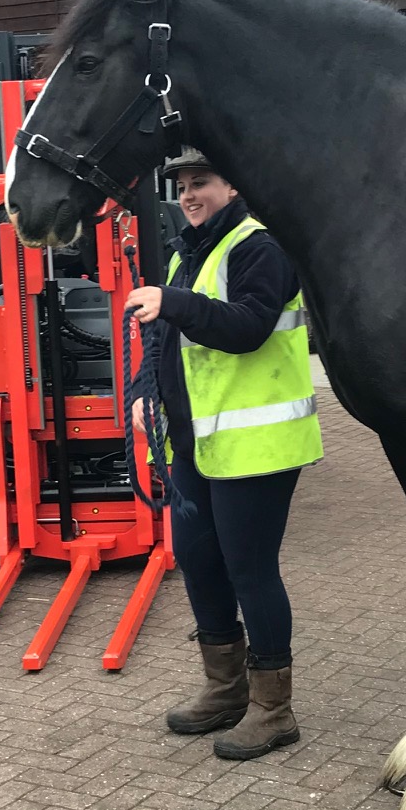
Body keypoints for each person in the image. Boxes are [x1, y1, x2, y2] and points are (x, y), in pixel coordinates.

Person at [127, 148, 323, 760]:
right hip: (198, 443)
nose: (189, 194)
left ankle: (274, 710)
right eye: (182, 186)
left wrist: (174, 301)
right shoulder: (194, 250)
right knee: (199, 561)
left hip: (256, 447)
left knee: (250, 571)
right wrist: (143, 389)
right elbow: (162, 337)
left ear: (231, 182)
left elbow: (247, 327)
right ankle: (225, 688)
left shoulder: (259, 246)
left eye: (201, 182)